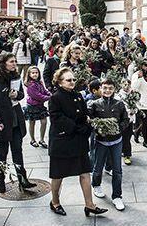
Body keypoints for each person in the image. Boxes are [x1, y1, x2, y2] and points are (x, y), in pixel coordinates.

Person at [48, 67, 107, 217]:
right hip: (62, 142)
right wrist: (76, 127)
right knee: (58, 175)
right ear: (60, 82)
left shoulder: (78, 96)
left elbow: (84, 114)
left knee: (85, 173)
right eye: (68, 80)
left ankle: (90, 205)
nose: (72, 82)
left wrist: (86, 127)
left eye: (73, 79)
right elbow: (57, 118)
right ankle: (55, 202)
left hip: (78, 141)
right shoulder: (55, 98)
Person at [0, 52, 36, 194]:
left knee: (17, 151)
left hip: (15, 118)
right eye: (11, 62)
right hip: (2, 120)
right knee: (1, 153)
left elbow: (21, 94)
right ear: (3, 63)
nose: (15, 64)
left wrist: (17, 95)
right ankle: (0, 182)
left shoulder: (16, 76)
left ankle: (22, 179)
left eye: (15, 61)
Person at [87, 79, 129, 211]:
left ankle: (117, 196)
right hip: (101, 141)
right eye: (105, 88)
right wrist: (97, 128)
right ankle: (96, 185)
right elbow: (89, 119)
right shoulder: (95, 104)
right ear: (100, 88)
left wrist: (118, 128)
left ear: (114, 89)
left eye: (110, 88)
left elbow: (125, 119)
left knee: (117, 170)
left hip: (116, 141)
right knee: (97, 166)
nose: (107, 91)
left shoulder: (119, 104)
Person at [24, 66, 51, 149]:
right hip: (32, 106)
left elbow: (44, 91)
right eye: (33, 73)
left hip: (40, 106)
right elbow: (38, 96)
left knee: (44, 122)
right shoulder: (30, 85)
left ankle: (42, 139)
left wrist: (50, 94)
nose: (35, 74)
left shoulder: (40, 82)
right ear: (29, 74)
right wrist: (49, 97)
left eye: (36, 72)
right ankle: (32, 139)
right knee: (32, 123)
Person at [117, 79, 136, 165]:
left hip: (130, 120)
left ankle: (127, 155)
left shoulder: (133, 94)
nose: (126, 85)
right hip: (122, 120)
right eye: (124, 84)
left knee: (127, 138)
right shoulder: (118, 96)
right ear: (121, 85)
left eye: (128, 84)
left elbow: (136, 105)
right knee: (123, 138)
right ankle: (125, 153)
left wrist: (134, 110)